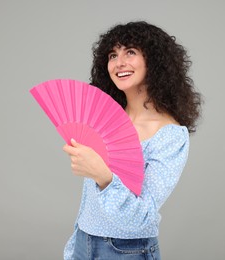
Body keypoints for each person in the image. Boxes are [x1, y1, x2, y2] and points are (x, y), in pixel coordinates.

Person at [62, 21, 202, 259]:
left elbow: (141, 217)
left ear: (155, 61)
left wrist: (103, 177)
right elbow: (90, 203)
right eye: (113, 55)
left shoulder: (168, 135)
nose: (119, 63)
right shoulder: (103, 121)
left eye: (130, 52)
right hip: (84, 242)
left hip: (126, 250)